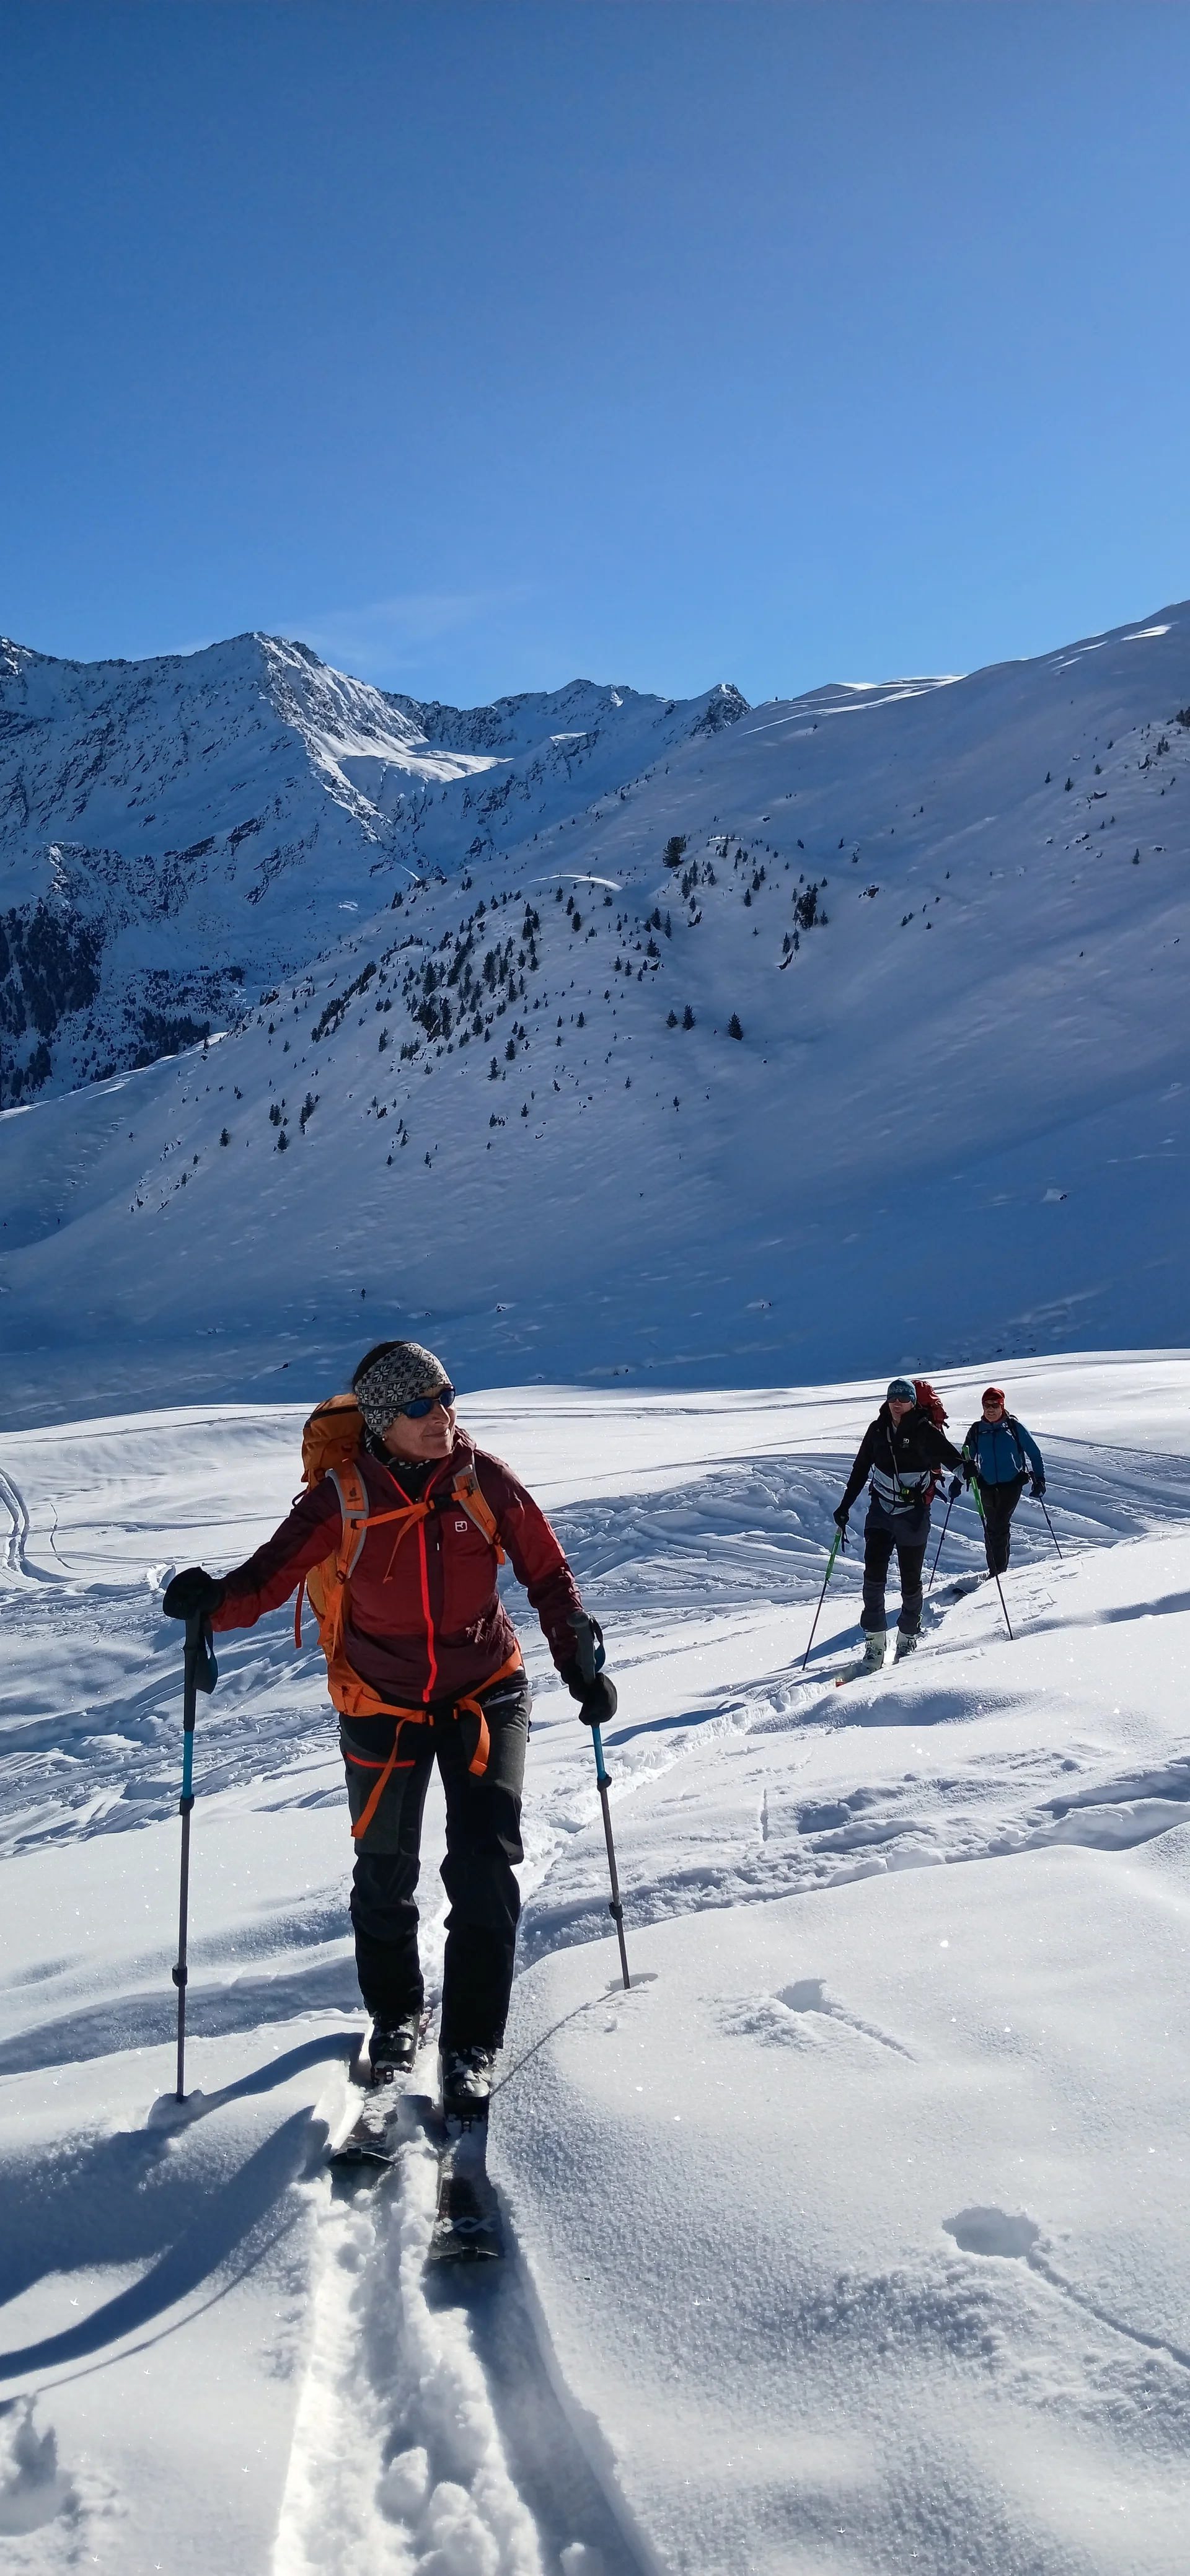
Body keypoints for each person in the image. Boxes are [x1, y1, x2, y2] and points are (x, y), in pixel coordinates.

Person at [162, 1340, 615, 2114]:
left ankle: (471, 2042)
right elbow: (268, 1579)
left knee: (483, 1864)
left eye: (446, 1398)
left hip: (485, 1691)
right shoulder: (342, 1496)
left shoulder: (483, 1480)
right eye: (419, 1405)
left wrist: (579, 1661)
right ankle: (396, 2013)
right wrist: (211, 1602)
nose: (441, 1416)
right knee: (383, 1870)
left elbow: (547, 1573)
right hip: (381, 1701)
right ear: (381, 1420)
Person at [834, 1377, 963, 1669]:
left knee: (910, 1581)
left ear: (913, 1402)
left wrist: (966, 1470)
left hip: (913, 1515)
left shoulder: (924, 1430)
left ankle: (907, 1637)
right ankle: (875, 1643)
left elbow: (949, 1456)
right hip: (880, 1512)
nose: (897, 1402)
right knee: (873, 1579)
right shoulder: (877, 1430)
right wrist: (844, 1507)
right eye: (893, 1397)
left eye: (903, 1398)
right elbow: (860, 1469)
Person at [962, 1386, 1046, 1576]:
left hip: (1012, 1484)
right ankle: (996, 1570)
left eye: (995, 1405)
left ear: (1002, 1406)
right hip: (986, 1484)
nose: (990, 1409)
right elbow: (966, 1457)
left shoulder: (1014, 1427)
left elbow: (1034, 1453)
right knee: (991, 1527)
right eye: (986, 1405)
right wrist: (961, 1478)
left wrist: (1039, 1479)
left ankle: (998, 1572)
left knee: (999, 1524)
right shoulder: (977, 1430)